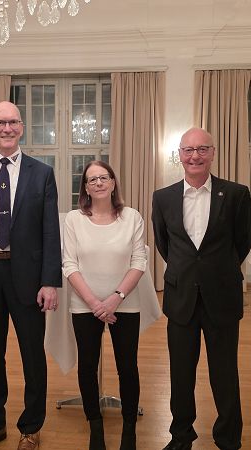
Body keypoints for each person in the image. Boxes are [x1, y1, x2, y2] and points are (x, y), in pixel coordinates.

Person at [0, 101, 62, 450]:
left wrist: (49, 281)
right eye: (0, 122)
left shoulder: (42, 173)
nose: (7, 128)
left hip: (29, 279)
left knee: (32, 355)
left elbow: (51, 231)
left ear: (22, 128)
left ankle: (31, 426)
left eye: (13, 122)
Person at [152, 127, 251, 450]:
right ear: (179, 155)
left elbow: (242, 243)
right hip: (181, 297)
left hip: (221, 296)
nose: (194, 156)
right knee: (181, 374)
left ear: (212, 153)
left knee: (224, 374)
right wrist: (188, 271)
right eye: (188, 150)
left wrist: (214, 271)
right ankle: (181, 437)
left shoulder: (236, 194)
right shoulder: (163, 197)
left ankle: (228, 439)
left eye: (202, 149)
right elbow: (165, 244)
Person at [62, 160, 147, 450]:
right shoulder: (74, 220)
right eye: (92, 179)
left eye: (103, 177)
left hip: (125, 304)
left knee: (128, 367)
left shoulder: (132, 217)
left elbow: (139, 262)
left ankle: (129, 432)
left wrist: (114, 298)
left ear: (112, 183)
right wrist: (94, 303)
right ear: (85, 188)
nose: (98, 183)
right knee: (87, 366)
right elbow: (69, 264)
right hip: (84, 305)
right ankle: (95, 428)